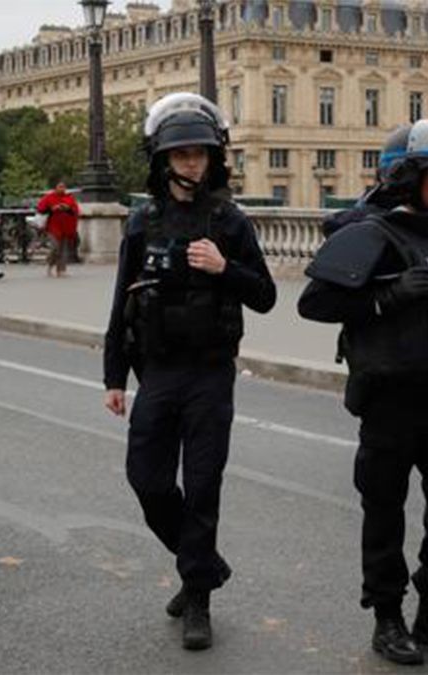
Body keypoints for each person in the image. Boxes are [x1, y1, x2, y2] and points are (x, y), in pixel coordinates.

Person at [297, 117, 428, 666]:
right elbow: (314, 304)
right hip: (386, 401)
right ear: (406, 177)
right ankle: (387, 618)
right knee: (385, 513)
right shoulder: (369, 232)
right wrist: (384, 299)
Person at [101, 93, 277, 651]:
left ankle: (197, 599)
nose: (191, 163)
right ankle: (203, 565)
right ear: (162, 160)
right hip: (156, 372)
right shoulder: (142, 221)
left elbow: (267, 295)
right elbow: (120, 302)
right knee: (147, 481)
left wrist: (226, 269)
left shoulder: (229, 220)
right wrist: (114, 377)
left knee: (202, 487)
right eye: (180, 155)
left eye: (199, 153)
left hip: (209, 374)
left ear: (213, 157)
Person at [36, 181, 80, 277]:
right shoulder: (49, 198)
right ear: (55, 188)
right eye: (60, 187)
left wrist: (67, 208)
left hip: (66, 227)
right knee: (55, 247)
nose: (62, 189)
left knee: (63, 249)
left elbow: (75, 211)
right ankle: (50, 264)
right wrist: (52, 209)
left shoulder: (69, 198)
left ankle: (61, 269)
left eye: (63, 187)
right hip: (53, 227)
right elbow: (40, 209)